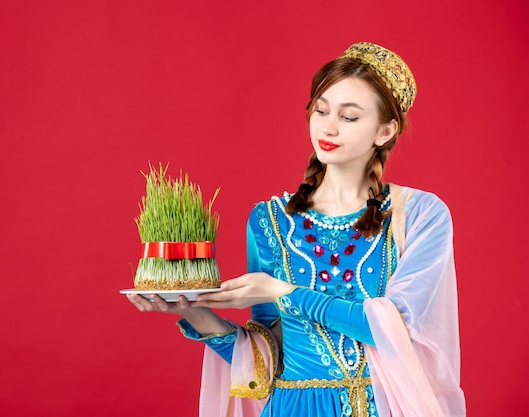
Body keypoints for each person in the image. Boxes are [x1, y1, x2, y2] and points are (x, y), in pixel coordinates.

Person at [126, 42, 466, 417]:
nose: (328, 126)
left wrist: (285, 292)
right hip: (294, 407)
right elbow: (266, 358)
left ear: (385, 131)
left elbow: (393, 326)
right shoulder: (270, 221)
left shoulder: (419, 215)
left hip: (382, 407)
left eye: (349, 117)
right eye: (320, 111)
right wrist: (192, 310)